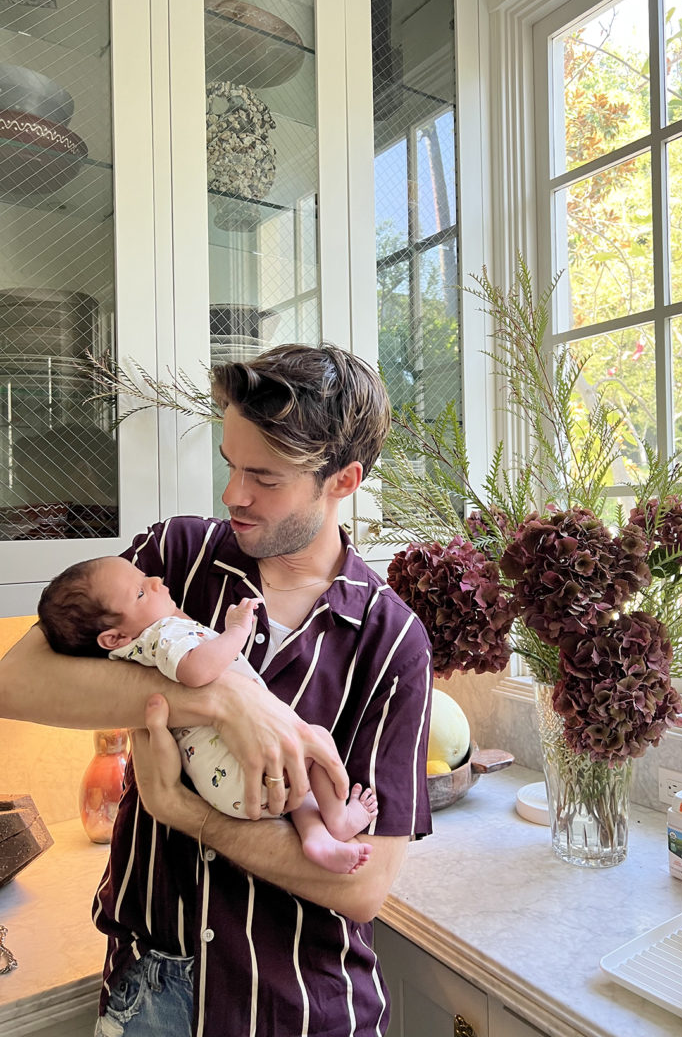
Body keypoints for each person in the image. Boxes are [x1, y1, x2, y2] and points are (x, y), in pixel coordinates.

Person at [0, 343, 433, 1037]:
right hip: (151, 991)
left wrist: (189, 813)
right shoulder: (172, 559)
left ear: (343, 480)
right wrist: (224, 699)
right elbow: (14, 680)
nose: (233, 494)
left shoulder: (392, 640)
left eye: (263, 476)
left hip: (300, 1006)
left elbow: (361, 887)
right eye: (230, 465)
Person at [37, 556, 379, 874]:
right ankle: (339, 819)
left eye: (146, 577)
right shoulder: (162, 635)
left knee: (298, 782)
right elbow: (197, 670)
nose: (156, 580)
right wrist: (237, 631)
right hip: (240, 768)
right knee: (313, 738)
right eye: (141, 591)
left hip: (226, 786)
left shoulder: (134, 653)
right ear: (114, 637)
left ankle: (316, 839)